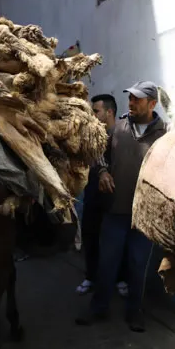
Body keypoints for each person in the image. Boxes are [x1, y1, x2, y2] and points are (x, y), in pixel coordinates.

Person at [76, 81, 165, 332]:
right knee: (107, 263)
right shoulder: (119, 128)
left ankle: (135, 312)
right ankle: (98, 308)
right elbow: (98, 153)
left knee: (138, 266)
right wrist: (103, 172)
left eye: (137, 99)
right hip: (115, 211)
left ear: (152, 103)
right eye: (130, 98)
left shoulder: (164, 135)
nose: (131, 103)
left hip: (144, 216)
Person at [75, 94, 128, 297]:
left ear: (109, 112)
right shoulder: (90, 135)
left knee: (118, 240)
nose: (93, 115)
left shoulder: (123, 135)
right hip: (92, 195)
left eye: (96, 111)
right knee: (91, 236)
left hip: (116, 197)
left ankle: (120, 278)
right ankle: (91, 277)